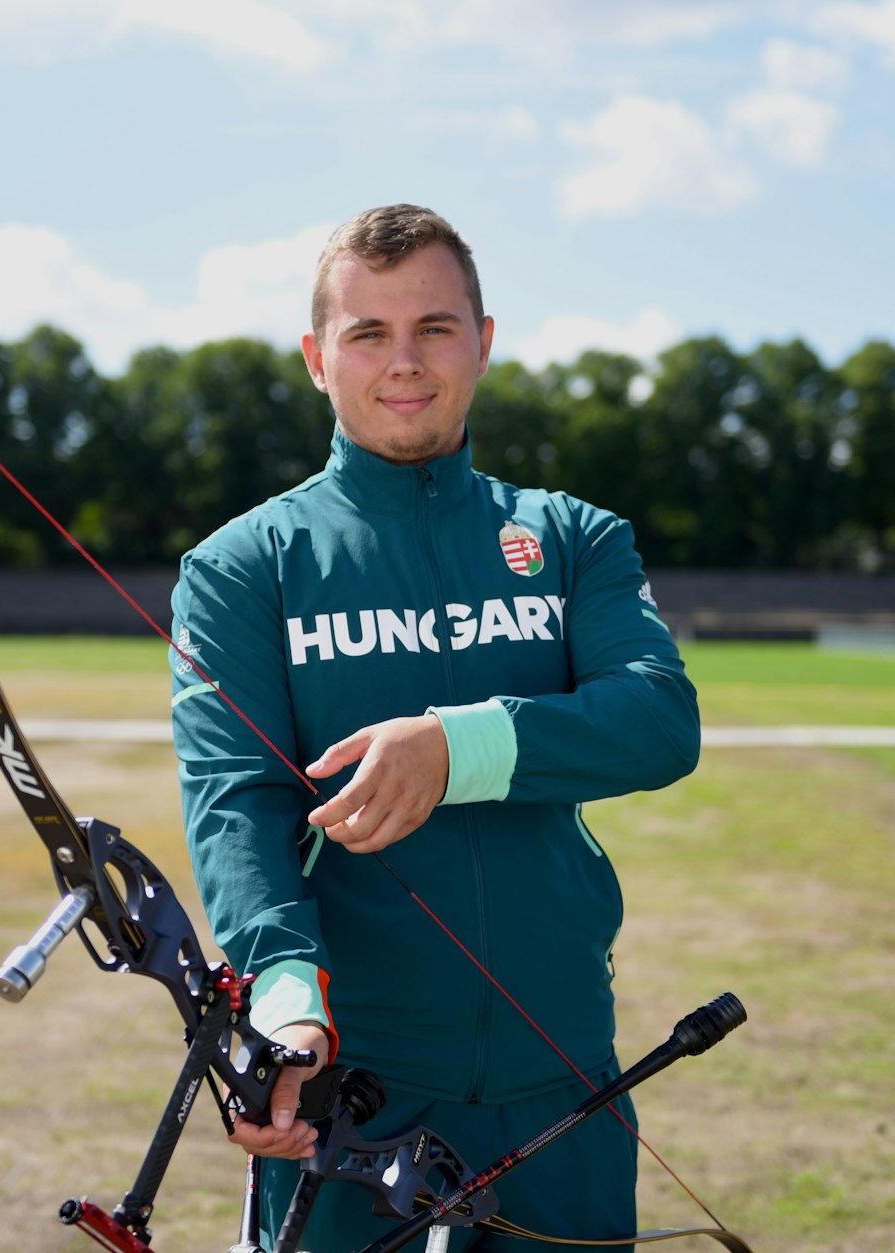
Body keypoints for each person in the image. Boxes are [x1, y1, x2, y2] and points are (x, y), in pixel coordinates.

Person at [170, 204, 700, 1251]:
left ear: (484, 341)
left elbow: (657, 718)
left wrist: (457, 746)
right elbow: (237, 807)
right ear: (318, 359)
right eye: (367, 333)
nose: (402, 362)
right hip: (357, 1096)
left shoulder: (571, 536)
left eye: (435, 328)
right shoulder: (241, 566)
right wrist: (284, 999)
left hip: (565, 1087)